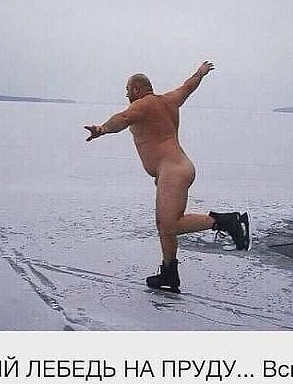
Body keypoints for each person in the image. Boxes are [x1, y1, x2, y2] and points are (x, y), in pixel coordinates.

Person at [84, 61, 250, 293]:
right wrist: (200, 73)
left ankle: (227, 221)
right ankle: (169, 274)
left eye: (127, 90)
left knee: (171, 225)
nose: (126, 95)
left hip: (173, 172)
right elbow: (188, 86)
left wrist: (102, 129)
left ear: (136, 89)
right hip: (177, 168)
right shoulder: (169, 100)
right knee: (164, 225)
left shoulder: (143, 104)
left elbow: (121, 119)